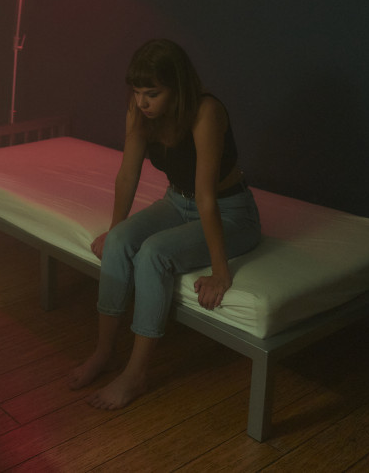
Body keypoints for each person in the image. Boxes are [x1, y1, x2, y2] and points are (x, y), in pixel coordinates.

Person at [69, 38, 262, 410]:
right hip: (176, 201)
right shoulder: (139, 111)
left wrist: (220, 272)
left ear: (178, 88)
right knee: (120, 241)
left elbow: (206, 196)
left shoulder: (206, 112)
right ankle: (104, 352)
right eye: (137, 92)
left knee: (154, 254)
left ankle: (136, 374)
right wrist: (115, 228)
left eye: (152, 94)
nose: (142, 102)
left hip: (231, 212)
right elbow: (128, 175)